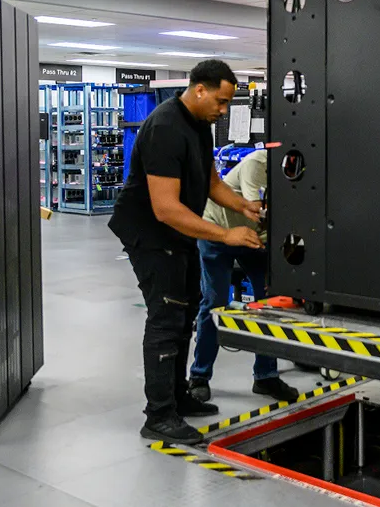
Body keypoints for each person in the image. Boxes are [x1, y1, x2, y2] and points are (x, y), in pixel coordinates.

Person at [109, 60, 264, 445]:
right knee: (165, 318)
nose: (224, 111)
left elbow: (210, 180)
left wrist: (243, 205)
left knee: (184, 313)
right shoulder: (164, 127)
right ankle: (159, 416)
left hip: (177, 234)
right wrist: (225, 236)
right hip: (151, 233)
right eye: (222, 101)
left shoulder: (198, 125)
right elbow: (165, 208)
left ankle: (178, 397)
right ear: (199, 89)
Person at [189, 149, 299, 403]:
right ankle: (199, 376)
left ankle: (266, 376)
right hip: (218, 231)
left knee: (270, 301)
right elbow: (257, 210)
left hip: (253, 239)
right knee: (214, 302)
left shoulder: (299, 174)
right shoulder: (256, 164)